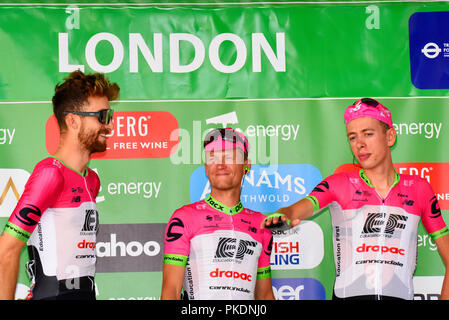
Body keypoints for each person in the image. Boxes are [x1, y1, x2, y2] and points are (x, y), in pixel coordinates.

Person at [264, 98, 449, 300]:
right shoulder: (339, 183)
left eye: (368, 134)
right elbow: (300, 207)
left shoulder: (419, 188)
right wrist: (284, 214)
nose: (359, 144)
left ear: (390, 136)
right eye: (352, 137)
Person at [0, 70, 119, 300]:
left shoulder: (91, 180)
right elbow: (7, 249)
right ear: (73, 120)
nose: (110, 125)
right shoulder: (51, 174)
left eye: (110, 115)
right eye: (102, 116)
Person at [161, 128, 274, 300]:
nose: (220, 164)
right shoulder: (184, 218)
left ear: (246, 166)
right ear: (206, 168)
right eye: (212, 157)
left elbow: (265, 296)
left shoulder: (261, 224)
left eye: (230, 157)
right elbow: (170, 292)